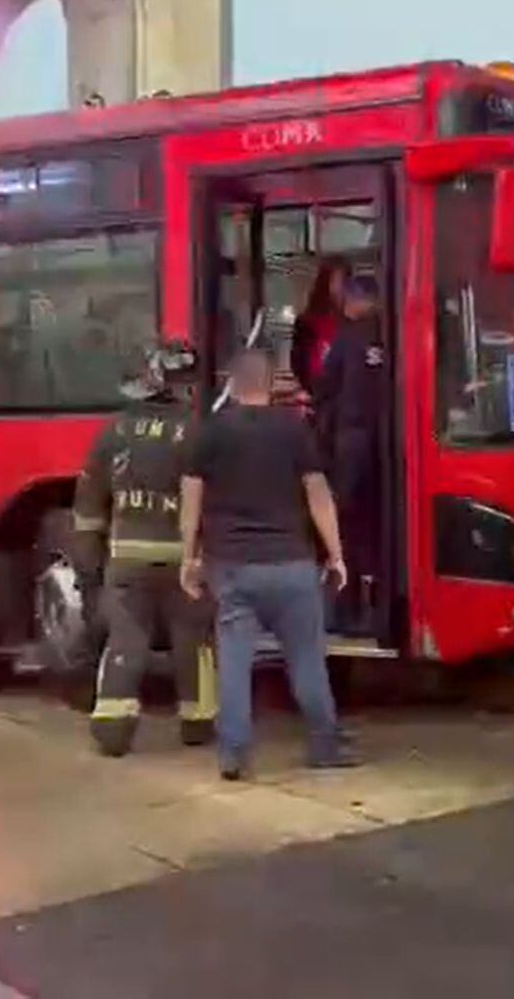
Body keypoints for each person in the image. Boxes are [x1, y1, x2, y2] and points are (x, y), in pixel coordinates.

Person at [180, 348, 360, 780]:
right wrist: (335, 554)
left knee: (236, 660)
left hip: (233, 566)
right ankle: (324, 745)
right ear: (270, 384)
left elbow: (191, 500)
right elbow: (318, 495)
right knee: (306, 659)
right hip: (292, 565)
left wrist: (189, 557)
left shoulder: (210, 432)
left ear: (232, 383)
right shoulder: (295, 430)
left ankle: (235, 754)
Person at [72, 339, 215, 756]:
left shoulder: (113, 432)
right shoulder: (196, 431)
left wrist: (89, 568)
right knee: (193, 639)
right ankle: (197, 721)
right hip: (183, 560)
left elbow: (88, 507)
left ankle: (113, 727)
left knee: (127, 638)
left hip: (126, 559)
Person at [313, 272, 389, 633]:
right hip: (386, 446)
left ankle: (345, 610)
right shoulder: (393, 334)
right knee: (378, 526)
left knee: (345, 526)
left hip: (351, 445)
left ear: (358, 301)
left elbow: (324, 386)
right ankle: (378, 606)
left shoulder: (347, 338)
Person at [291, 256, 349, 395]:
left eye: (345, 282)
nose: (341, 288)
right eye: (338, 281)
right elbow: (298, 360)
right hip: (319, 389)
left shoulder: (351, 319)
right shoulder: (307, 321)